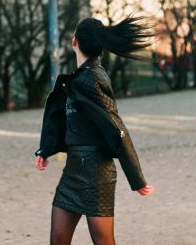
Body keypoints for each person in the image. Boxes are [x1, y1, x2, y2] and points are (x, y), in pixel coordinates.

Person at [34, 16, 155, 245]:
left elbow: (116, 128)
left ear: (74, 42)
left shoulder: (92, 79)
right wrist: (45, 149)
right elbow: (67, 120)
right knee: (57, 240)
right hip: (73, 172)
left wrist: (136, 177)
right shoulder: (79, 78)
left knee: (104, 242)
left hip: (96, 173)